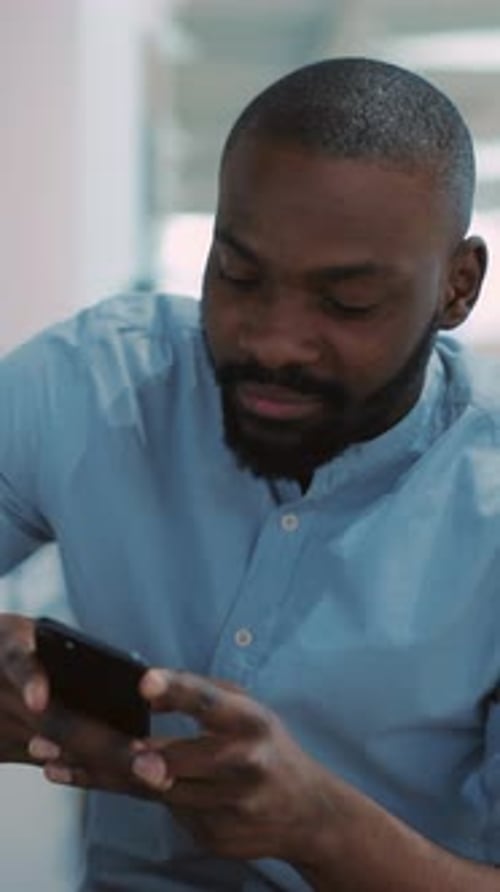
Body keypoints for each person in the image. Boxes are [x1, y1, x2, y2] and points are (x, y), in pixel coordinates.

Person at [1, 55, 500, 891]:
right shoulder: (93, 382)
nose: (271, 340)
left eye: (345, 304)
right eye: (238, 275)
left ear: (457, 287)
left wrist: (321, 828)